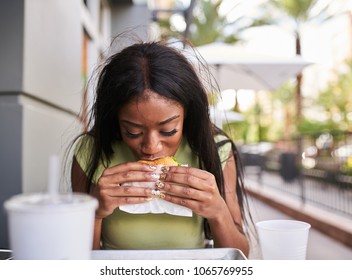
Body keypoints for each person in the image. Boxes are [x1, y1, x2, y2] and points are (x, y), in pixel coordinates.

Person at [70, 39, 251, 256]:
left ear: (188, 116)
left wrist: (218, 212)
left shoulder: (215, 150)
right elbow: (76, 259)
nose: (151, 147)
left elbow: (241, 256)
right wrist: (95, 211)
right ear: (115, 118)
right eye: (133, 132)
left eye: (168, 131)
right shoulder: (91, 150)